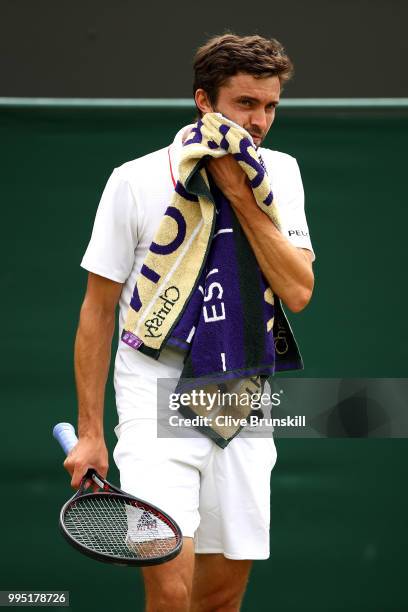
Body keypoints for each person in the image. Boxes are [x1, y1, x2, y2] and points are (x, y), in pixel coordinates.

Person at [64, 33, 315, 612]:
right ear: (204, 101)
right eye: (245, 104)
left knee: (221, 600)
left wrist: (240, 195)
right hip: (152, 398)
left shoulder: (283, 174)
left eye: (270, 105)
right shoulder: (133, 180)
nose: (259, 121)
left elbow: (298, 290)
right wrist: (92, 432)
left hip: (241, 396)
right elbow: (97, 311)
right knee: (171, 594)